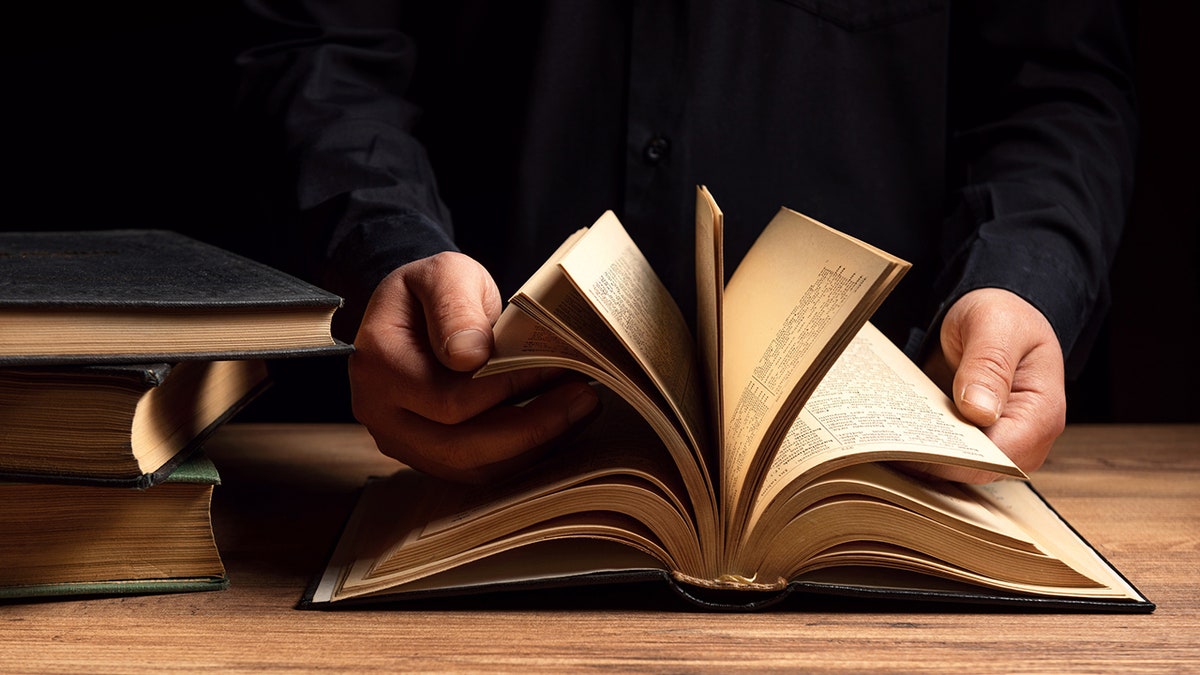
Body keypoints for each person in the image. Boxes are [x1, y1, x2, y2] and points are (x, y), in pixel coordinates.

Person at [236, 1, 1138, 484]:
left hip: (886, 484)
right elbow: (321, 42)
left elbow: (1053, 83)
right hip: (471, 459)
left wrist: (1022, 278)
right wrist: (384, 250)